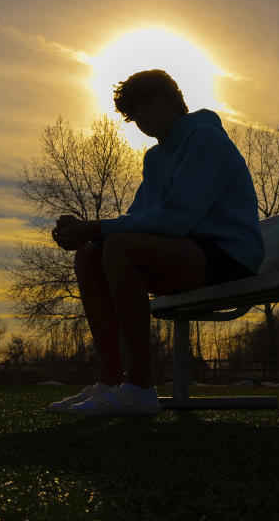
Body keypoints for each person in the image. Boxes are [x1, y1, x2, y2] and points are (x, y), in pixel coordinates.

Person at [47, 69, 264, 414]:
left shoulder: (203, 138)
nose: (143, 116)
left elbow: (177, 218)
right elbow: (137, 218)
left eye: (149, 103)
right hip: (186, 255)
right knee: (90, 256)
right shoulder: (156, 157)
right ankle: (110, 381)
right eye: (135, 112)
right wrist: (87, 233)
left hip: (229, 257)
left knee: (115, 247)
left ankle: (139, 387)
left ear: (174, 101)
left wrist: (97, 228)